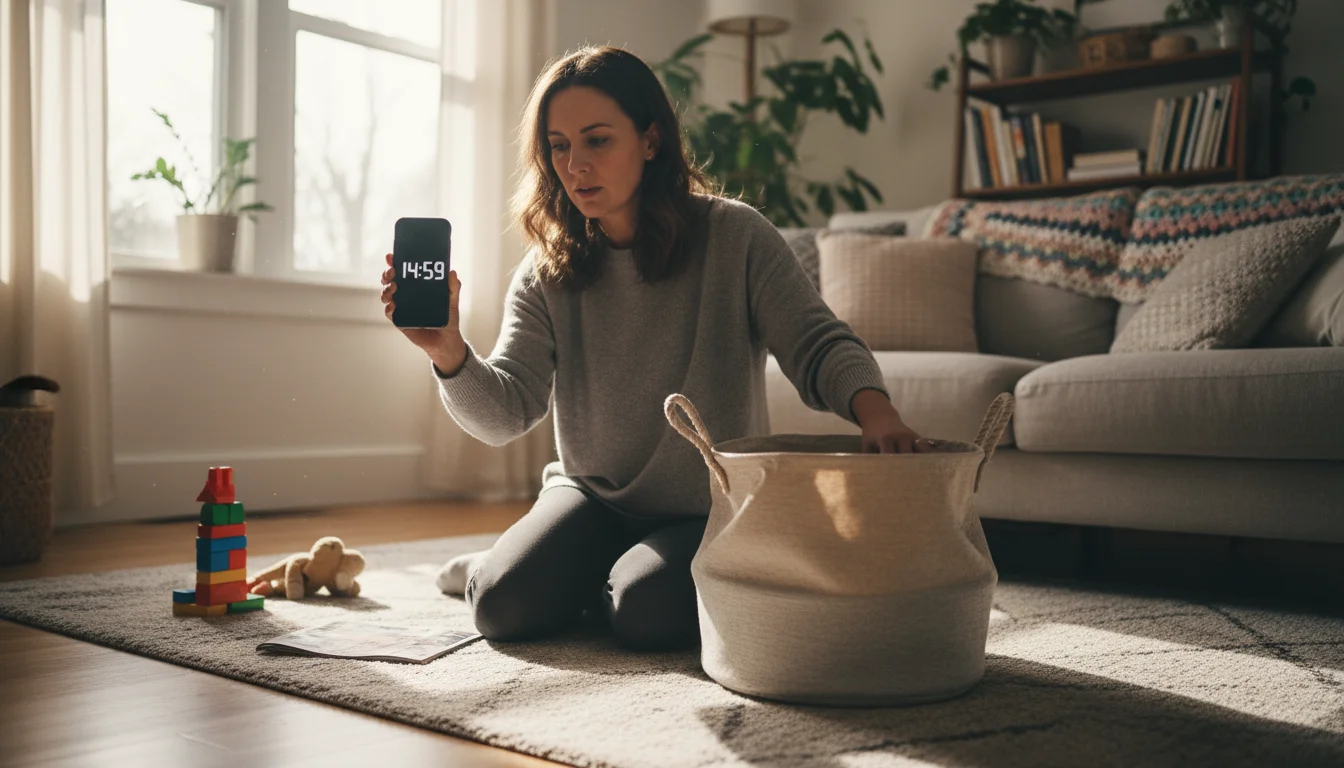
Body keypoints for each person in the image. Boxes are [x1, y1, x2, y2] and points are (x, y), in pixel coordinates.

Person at [379, 46, 931, 652]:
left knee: (646, 615)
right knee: (500, 607)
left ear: (650, 140)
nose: (575, 165)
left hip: (704, 507)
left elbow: (817, 341)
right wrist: (450, 352)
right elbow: (507, 412)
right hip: (589, 497)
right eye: (559, 146)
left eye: (597, 140)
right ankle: (531, 564)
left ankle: (595, 577)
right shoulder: (545, 273)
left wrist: (874, 409)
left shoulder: (736, 236)